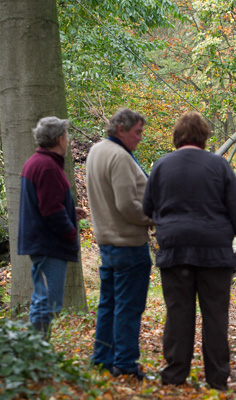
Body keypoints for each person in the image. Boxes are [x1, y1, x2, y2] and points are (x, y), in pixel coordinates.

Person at [142, 111, 236, 389]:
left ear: (177, 136)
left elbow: (147, 209)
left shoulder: (161, 166)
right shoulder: (220, 165)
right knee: (215, 315)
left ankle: (175, 375)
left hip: (175, 251)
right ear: (204, 136)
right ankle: (217, 379)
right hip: (214, 252)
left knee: (178, 313)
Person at [86, 108, 154, 380]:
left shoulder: (95, 151)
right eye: (137, 132)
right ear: (121, 129)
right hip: (128, 243)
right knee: (129, 306)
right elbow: (127, 205)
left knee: (108, 304)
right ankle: (125, 364)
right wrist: (152, 218)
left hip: (107, 241)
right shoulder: (119, 157)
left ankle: (102, 359)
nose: (140, 138)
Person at [18, 116, 87, 339]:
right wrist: (70, 232)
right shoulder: (47, 166)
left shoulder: (38, 162)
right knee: (47, 302)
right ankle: (38, 353)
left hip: (42, 242)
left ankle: (39, 352)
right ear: (59, 139)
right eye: (67, 137)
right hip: (48, 244)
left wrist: (69, 211)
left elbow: (46, 203)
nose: (68, 141)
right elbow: (49, 209)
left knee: (45, 300)